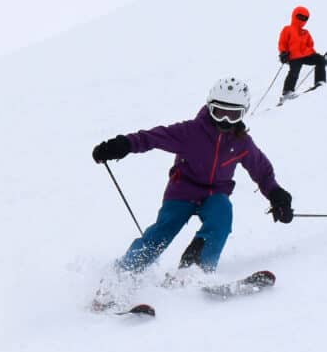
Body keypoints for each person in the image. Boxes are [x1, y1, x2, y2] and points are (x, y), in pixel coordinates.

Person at [91, 77, 294, 278]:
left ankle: (195, 268)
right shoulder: (191, 132)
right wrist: (123, 145)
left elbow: (262, 171)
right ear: (210, 107)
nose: (225, 120)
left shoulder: (242, 142)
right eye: (220, 112)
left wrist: (277, 195)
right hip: (182, 191)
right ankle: (123, 274)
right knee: (164, 230)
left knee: (222, 215)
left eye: (233, 115)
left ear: (243, 114)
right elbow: (152, 137)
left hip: (215, 194)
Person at [278, 5, 327, 101]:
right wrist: (283, 53)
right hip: (294, 56)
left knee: (320, 60)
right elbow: (282, 42)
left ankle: (320, 81)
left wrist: (318, 56)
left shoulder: (306, 32)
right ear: (294, 15)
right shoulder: (287, 29)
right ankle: (287, 93)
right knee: (294, 72)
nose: (302, 19)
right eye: (300, 16)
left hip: (306, 55)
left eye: (305, 18)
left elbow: (310, 45)